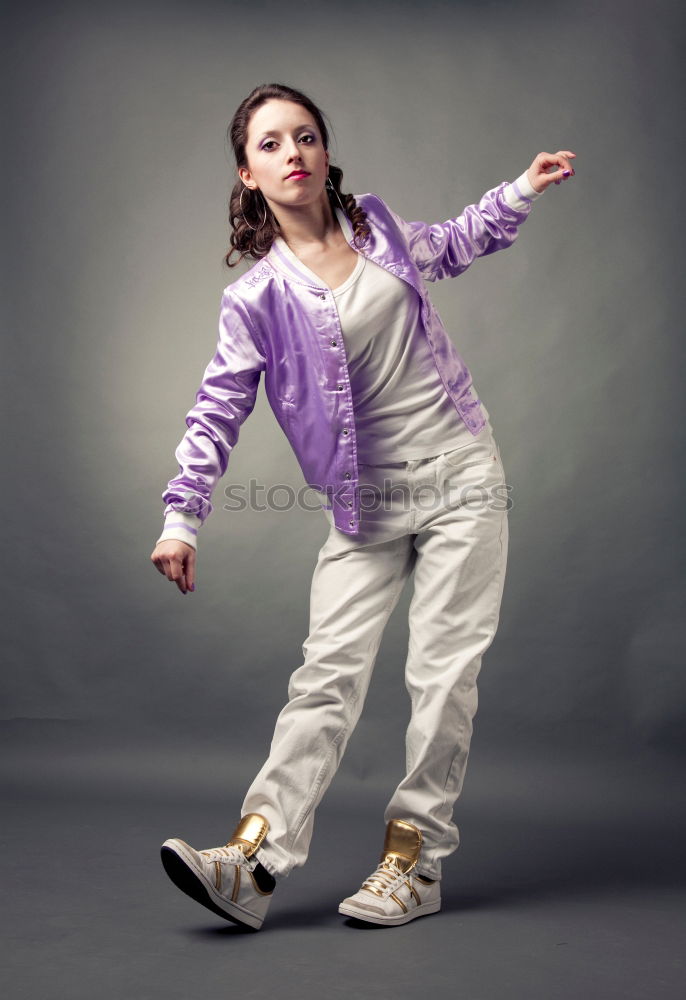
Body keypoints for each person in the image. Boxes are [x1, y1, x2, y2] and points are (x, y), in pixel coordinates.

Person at [151, 82, 576, 931]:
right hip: (364, 503)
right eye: (271, 143)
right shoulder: (256, 301)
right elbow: (216, 409)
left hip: (462, 476)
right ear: (248, 173)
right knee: (326, 678)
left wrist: (521, 188)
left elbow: (455, 242)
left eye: (305, 136)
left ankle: (414, 863)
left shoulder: (381, 234)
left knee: (442, 677)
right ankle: (254, 862)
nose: (293, 152)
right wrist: (181, 517)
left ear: (324, 153)